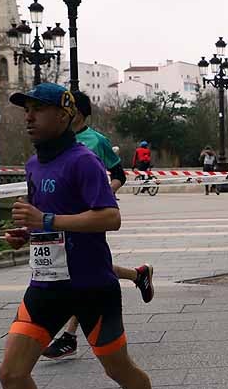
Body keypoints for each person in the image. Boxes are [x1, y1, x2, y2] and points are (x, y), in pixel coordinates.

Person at [0, 83, 172, 389]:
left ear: (64, 114)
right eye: (27, 110)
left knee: (119, 370)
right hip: (46, 285)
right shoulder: (35, 164)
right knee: (11, 374)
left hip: (91, 287)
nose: (29, 117)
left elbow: (111, 217)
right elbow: (48, 224)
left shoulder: (84, 161)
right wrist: (29, 233)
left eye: (38, 109)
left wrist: (48, 217)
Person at [42, 91, 155, 360]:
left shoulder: (96, 140)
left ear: (75, 113)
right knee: (86, 268)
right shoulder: (55, 142)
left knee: (77, 270)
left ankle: (69, 337)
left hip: (88, 217)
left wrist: (104, 193)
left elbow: (118, 174)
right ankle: (138, 275)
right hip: (61, 217)